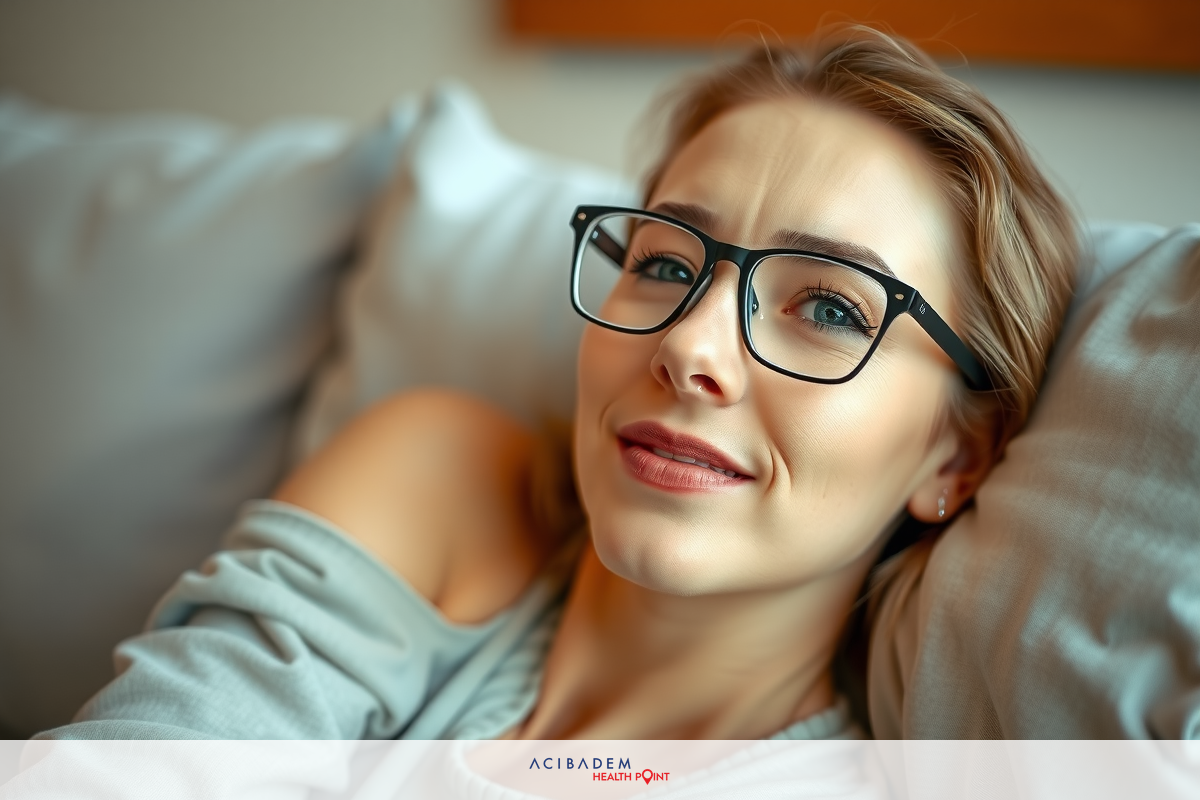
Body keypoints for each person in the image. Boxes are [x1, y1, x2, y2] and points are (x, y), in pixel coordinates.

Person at [44, 24, 1076, 741]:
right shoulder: (444, 472)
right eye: (666, 263)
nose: (691, 347)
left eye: (832, 309)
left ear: (956, 454)